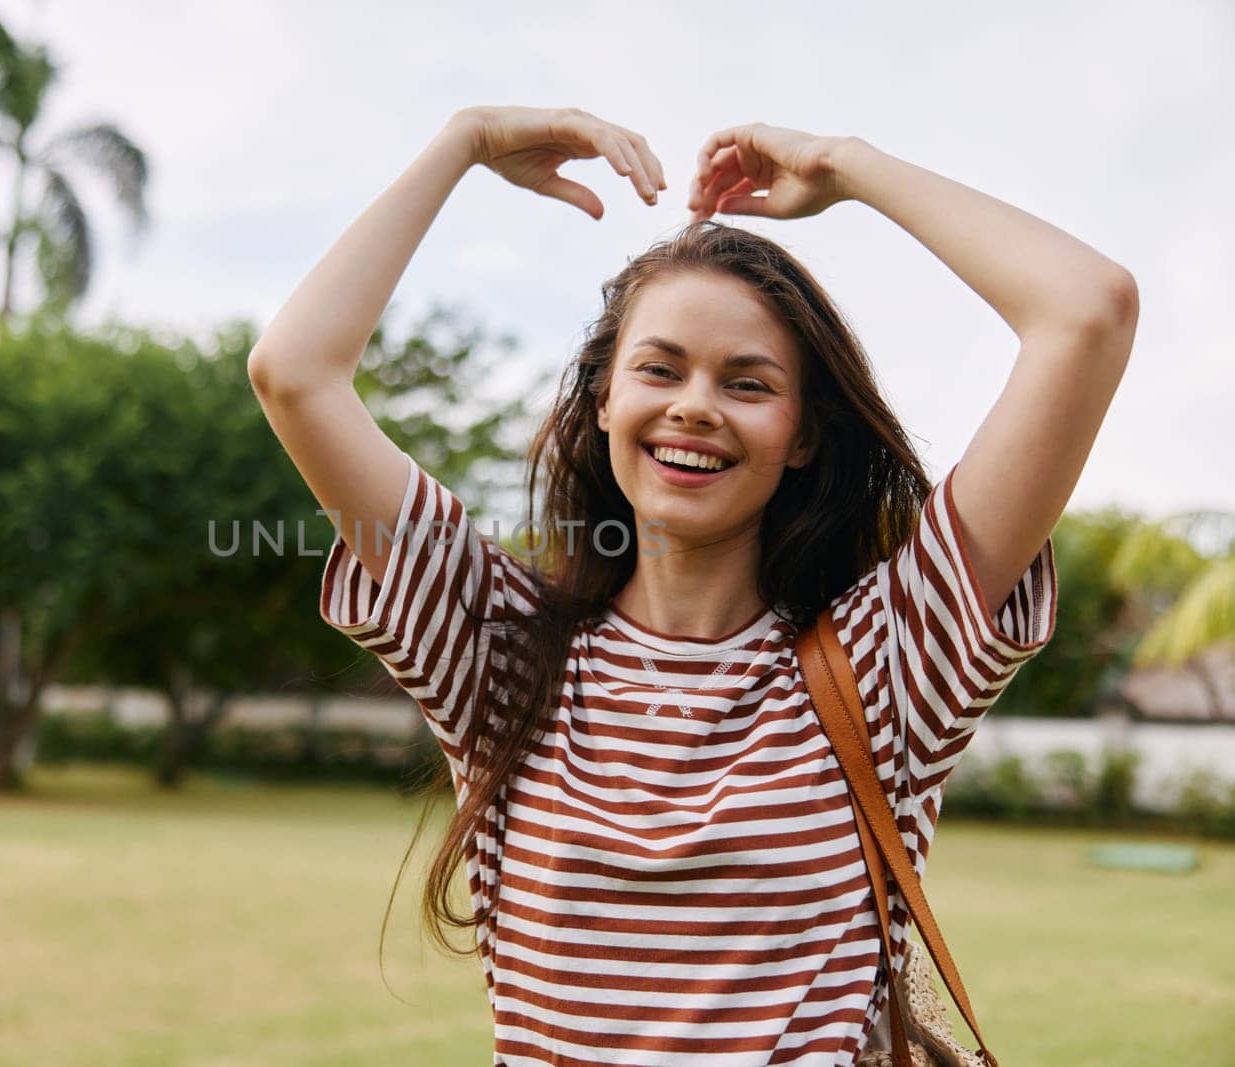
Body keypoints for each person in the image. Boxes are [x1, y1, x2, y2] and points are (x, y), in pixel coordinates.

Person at [247, 106, 1137, 1066]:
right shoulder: (500, 649)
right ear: (604, 400)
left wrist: (849, 165)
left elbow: (1086, 310)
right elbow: (294, 371)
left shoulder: (890, 664)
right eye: (659, 369)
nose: (695, 408)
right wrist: (459, 143)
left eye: (748, 383)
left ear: (802, 435)